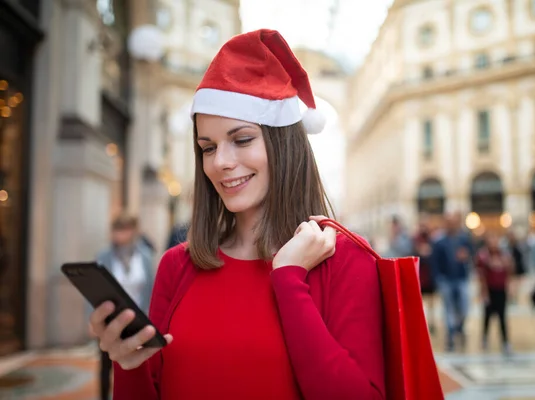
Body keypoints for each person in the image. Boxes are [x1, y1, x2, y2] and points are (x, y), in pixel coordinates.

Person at [88, 29, 385, 399]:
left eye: (241, 139)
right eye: (207, 147)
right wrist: (127, 363)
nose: (221, 163)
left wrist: (290, 279)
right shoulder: (177, 267)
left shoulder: (347, 262)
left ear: (284, 144)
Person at [95, 213, 156, 400]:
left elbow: (151, 287)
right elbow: (96, 289)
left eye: (125, 229)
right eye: (117, 229)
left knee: (137, 363)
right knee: (106, 362)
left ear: (133, 231)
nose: (120, 234)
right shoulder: (104, 256)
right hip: (111, 319)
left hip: (138, 318)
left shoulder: (145, 256)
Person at [431, 211, 474, 351]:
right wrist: (438, 279)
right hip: (446, 280)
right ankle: (450, 335)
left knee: (464, 307)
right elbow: (435, 262)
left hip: (461, 278)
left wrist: (467, 257)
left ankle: (459, 327)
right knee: (448, 309)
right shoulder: (439, 241)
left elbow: (473, 253)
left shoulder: (464, 239)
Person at [476, 232, 513, 355]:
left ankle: (505, 342)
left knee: (502, 316)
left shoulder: (504, 255)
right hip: (489, 289)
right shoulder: (483, 256)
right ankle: (485, 338)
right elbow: (481, 275)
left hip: (500, 290)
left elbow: (510, 271)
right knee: (487, 316)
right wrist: (483, 292)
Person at [413, 213, 436, 334]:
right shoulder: (415, 239)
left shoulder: (432, 238)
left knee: (431, 302)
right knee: (420, 302)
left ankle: (431, 323)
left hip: (429, 275)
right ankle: (421, 323)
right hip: (419, 275)